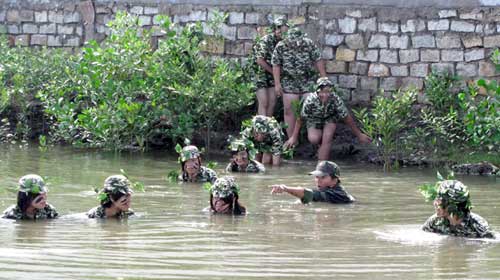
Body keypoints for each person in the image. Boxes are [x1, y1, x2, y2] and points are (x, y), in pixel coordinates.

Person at [284, 77, 372, 160]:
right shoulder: (310, 100)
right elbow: (301, 118)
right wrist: (294, 137)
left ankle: (322, 163)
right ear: (318, 91)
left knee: (327, 137)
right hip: (314, 119)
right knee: (314, 139)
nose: (325, 95)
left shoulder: (335, 99)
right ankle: (319, 146)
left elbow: (346, 117)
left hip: (330, 118)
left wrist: (359, 134)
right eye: (322, 92)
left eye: (327, 92)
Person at [271, 27, 327, 138]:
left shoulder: (308, 44)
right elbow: (276, 64)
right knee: (289, 109)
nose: (296, 43)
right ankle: (292, 140)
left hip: (307, 81)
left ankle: (313, 136)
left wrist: (324, 78)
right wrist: (277, 84)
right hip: (289, 82)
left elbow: (318, 59)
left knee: (311, 105)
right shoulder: (281, 46)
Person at [422, 180, 495, 238]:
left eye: (439, 200)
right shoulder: (434, 222)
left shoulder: (479, 226)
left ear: (453, 206)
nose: (435, 203)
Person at [251, 17, 289, 116]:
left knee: (272, 103)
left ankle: (267, 128)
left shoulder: (285, 43)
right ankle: (261, 128)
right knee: (264, 102)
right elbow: (259, 60)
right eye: (279, 29)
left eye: (284, 30)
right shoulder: (266, 40)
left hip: (273, 75)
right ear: (274, 29)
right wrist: (274, 72)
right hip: (261, 74)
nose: (281, 32)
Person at [271, 161, 355, 204]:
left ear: (334, 180)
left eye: (323, 177)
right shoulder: (327, 190)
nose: (318, 180)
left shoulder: (338, 194)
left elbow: (309, 194)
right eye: (316, 177)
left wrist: (285, 188)